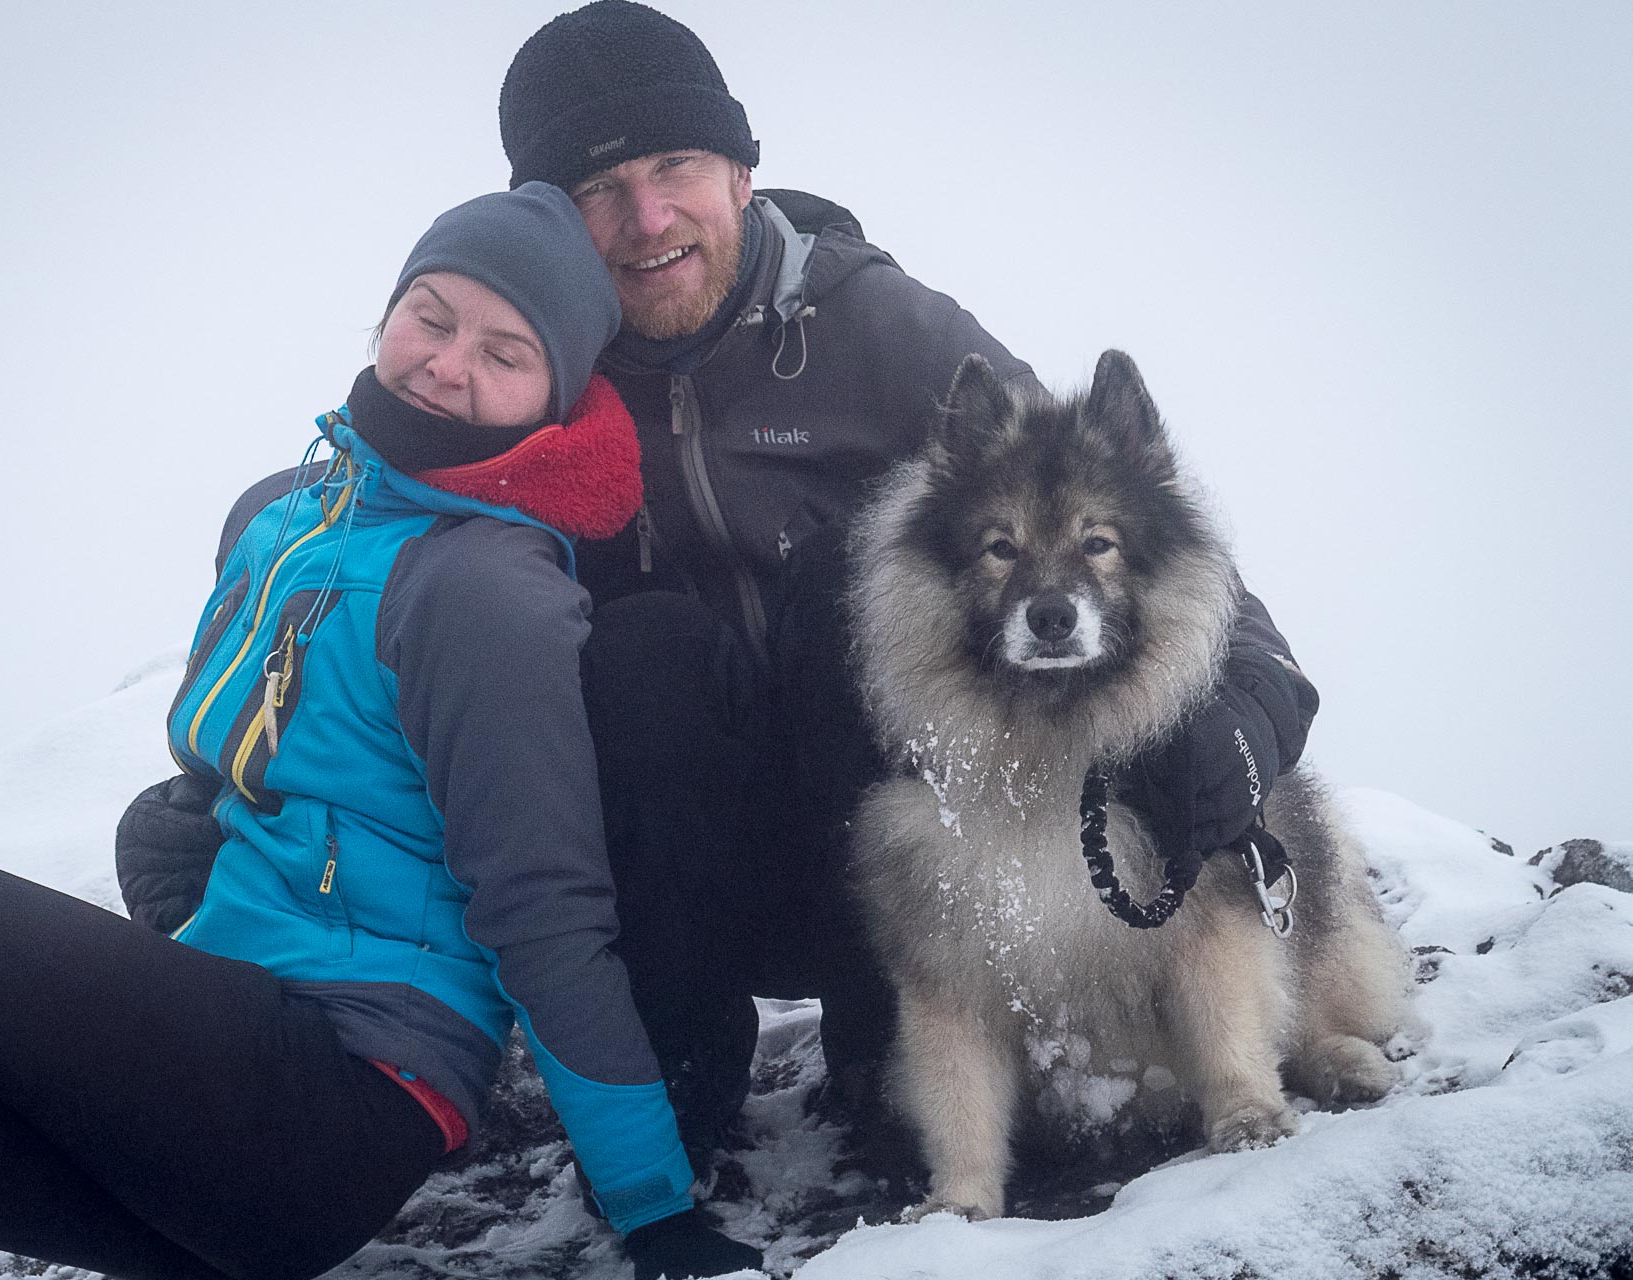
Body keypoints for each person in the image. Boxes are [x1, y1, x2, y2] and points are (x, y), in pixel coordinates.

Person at [121, 0, 1322, 1184]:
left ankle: (883, 1063)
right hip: (666, 867)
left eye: (675, 164)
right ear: (552, 217)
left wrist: (1243, 717)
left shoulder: (878, 326)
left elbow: (1140, 534)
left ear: (742, 169)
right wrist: (232, 787)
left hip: (897, 853)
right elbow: (395, 587)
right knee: (639, 645)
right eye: (598, 190)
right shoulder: (530, 368)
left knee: (847, 594)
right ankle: (677, 1079)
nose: (646, 218)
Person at [0, 184, 764, 1280]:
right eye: (433, 316)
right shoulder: (301, 512)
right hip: (220, 1082)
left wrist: (653, 1208)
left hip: (337, 1097)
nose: (449, 364)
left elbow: (542, 906)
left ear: (554, 398)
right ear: (386, 313)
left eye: (505, 353)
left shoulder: (481, 590)